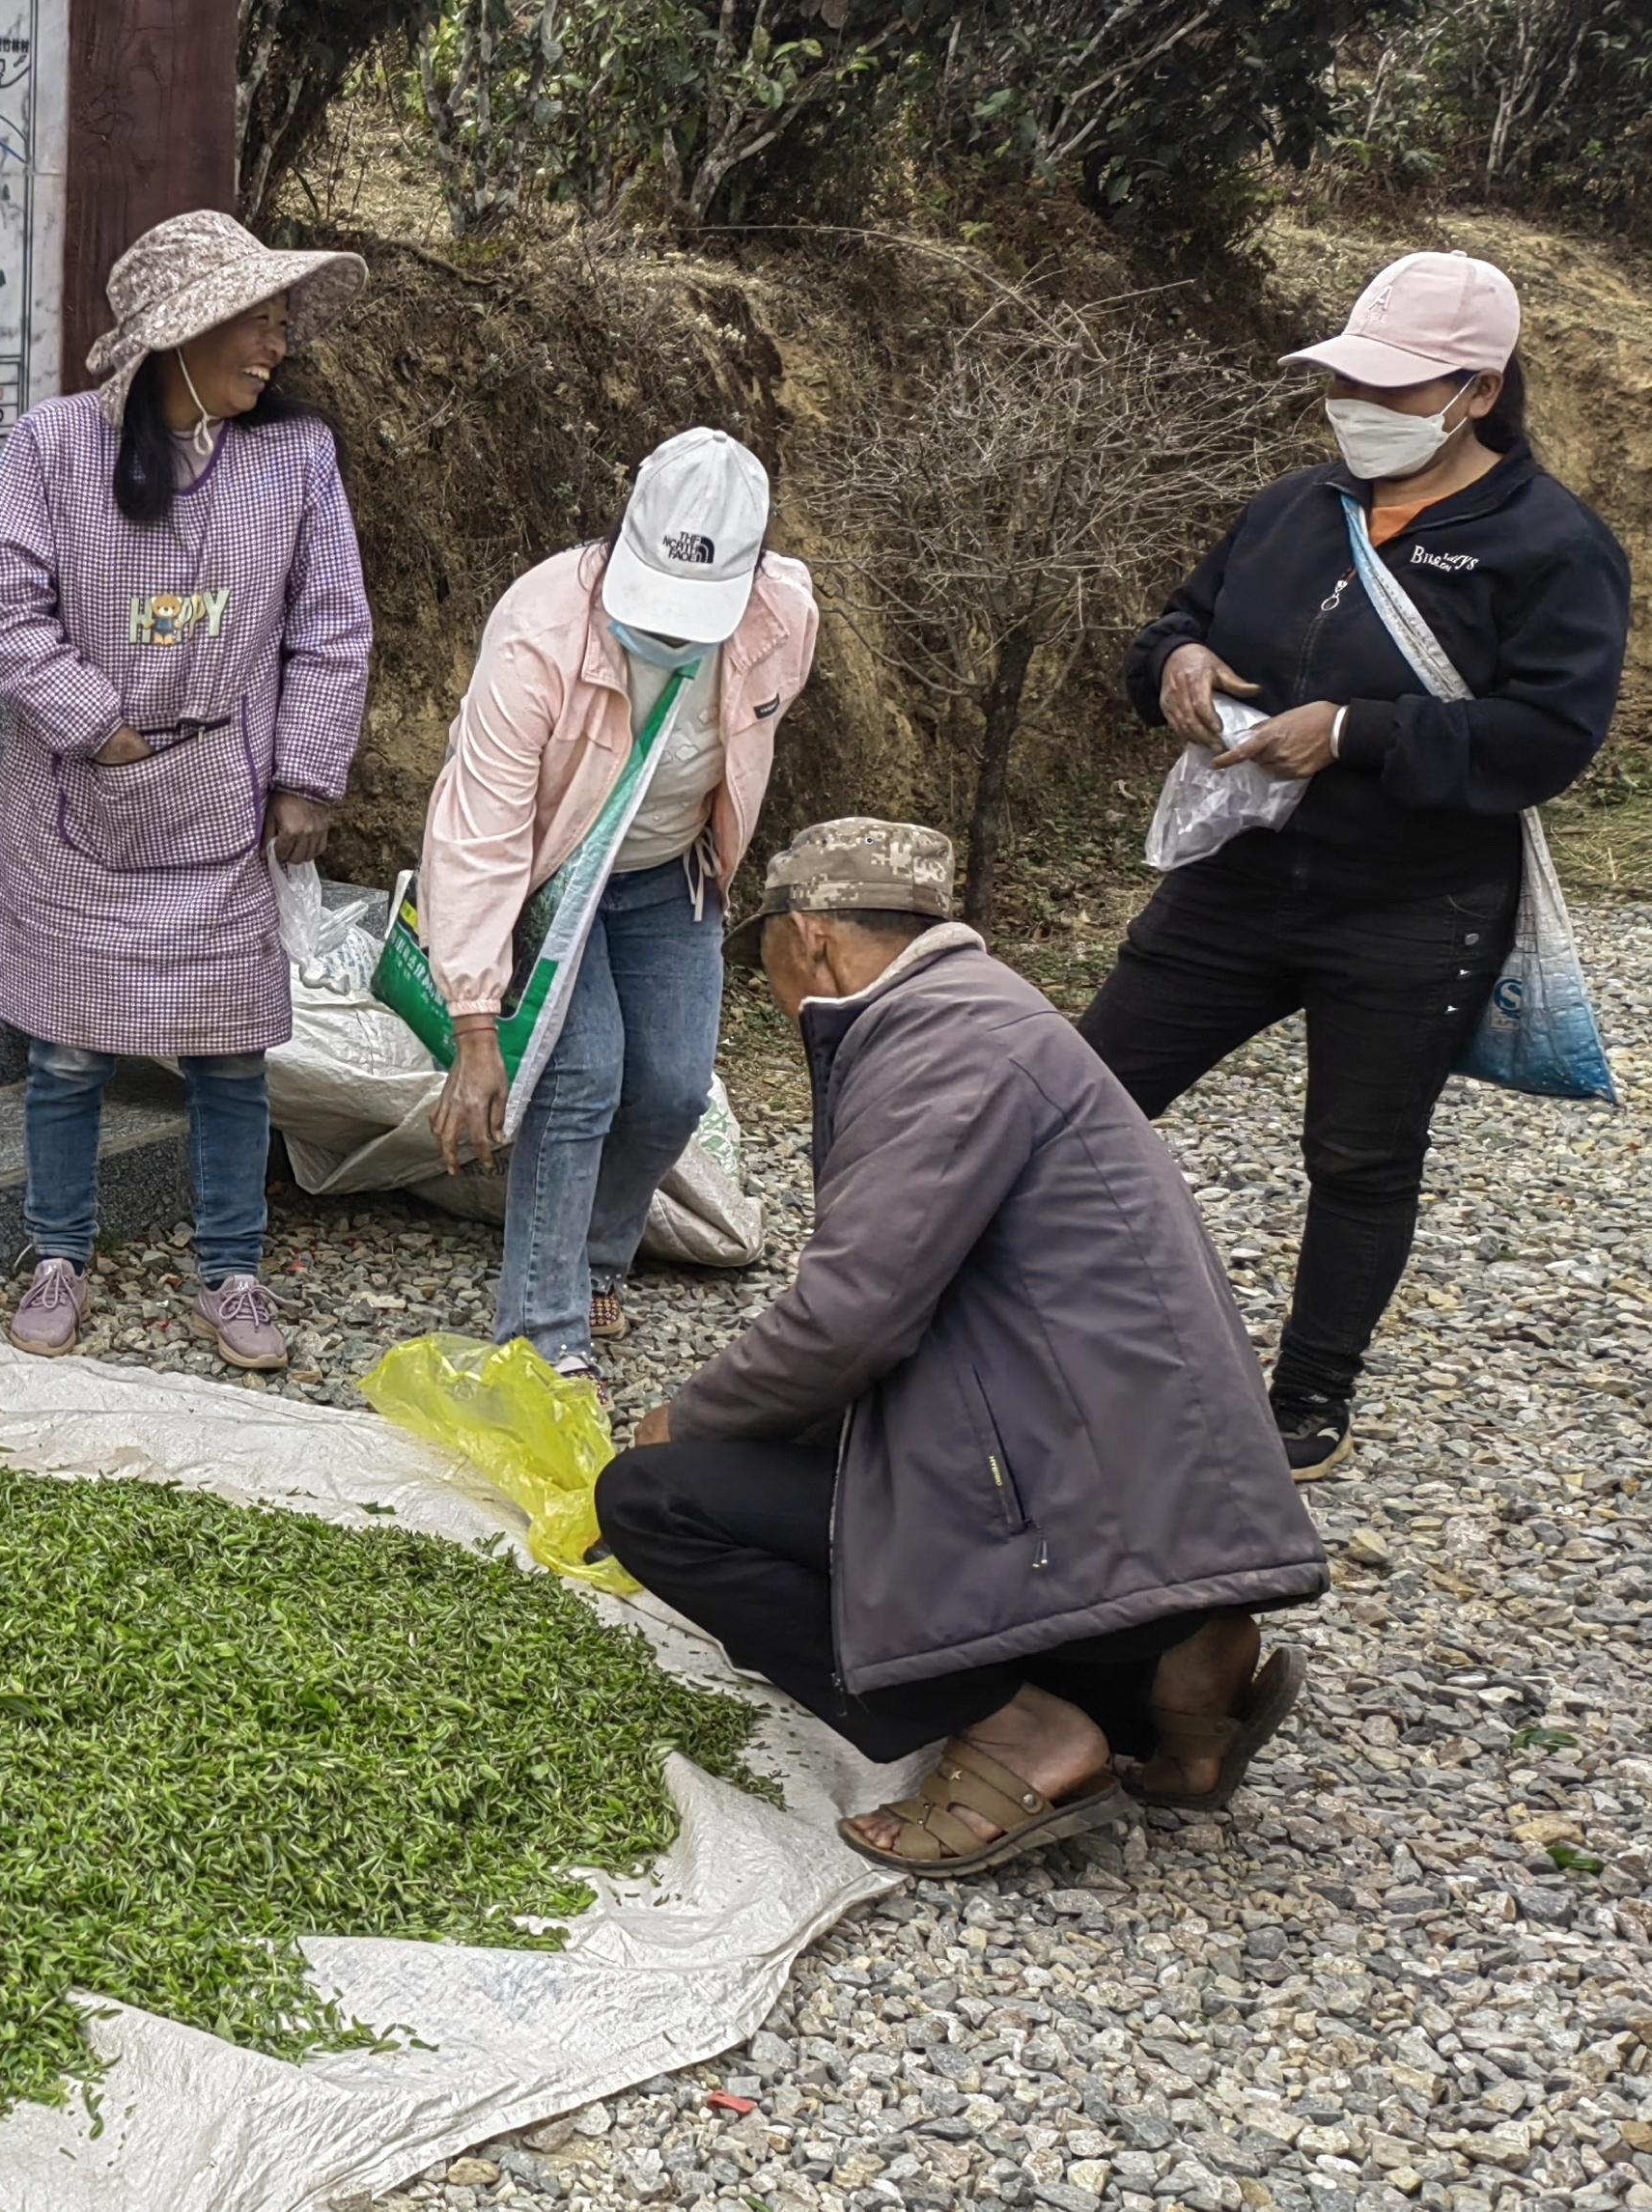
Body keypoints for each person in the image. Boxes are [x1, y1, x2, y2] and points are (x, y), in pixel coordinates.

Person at [599, 820, 1328, 1877]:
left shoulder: (941, 1045)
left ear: (808, 938)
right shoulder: (984, 1015)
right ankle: (1165, 1669)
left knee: (658, 1499)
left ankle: (1020, 1730)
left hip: (1087, 1502)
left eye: (764, 965)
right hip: (1138, 1496)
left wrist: (689, 1421)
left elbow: (852, 1314)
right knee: (786, 1455)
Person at [1082, 249, 1631, 1476]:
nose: (1358, 411)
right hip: (1241, 873)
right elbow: (1183, 616)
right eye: (1348, 383)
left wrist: (1353, 732)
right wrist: (1169, 661)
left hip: (1413, 901)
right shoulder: (1292, 508)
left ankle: (1311, 1392)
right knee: (1083, 1088)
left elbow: (1550, 737)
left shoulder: (1553, 546)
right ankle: (1011, 1315)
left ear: (1477, 392)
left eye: (1392, 390)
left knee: (1362, 1152)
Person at [0, 209, 375, 1372]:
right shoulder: (54, 447)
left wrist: (305, 773)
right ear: (180, 334)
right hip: (79, 799)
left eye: (282, 327)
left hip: (226, 800)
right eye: (257, 324)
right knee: (68, 1049)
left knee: (235, 1051)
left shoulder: (296, 459)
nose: (275, 349)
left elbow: (332, 626)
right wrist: (99, 729)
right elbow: (0, 610)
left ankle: (232, 1271)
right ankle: (58, 1253)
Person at [420, 429, 817, 1376]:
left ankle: (600, 1249)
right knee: (582, 1071)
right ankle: (542, 1339)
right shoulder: (541, 627)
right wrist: (477, 1022)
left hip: (666, 870)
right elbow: (480, 828)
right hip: (552, 866)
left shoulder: (784, 619)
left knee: (673, 1088)